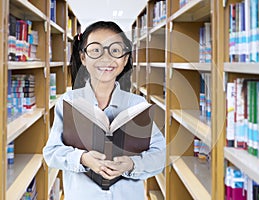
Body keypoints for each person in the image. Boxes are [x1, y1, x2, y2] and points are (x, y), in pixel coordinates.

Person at [43, 21, 166, 200]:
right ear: (83, 58)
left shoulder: (137, 105)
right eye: (95, 50)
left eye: (115, 50)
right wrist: (83, 158)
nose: (106, 58)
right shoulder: (69, 102)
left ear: (124, 59)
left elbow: (159, 156)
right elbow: (51, 153)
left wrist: (131, 164)